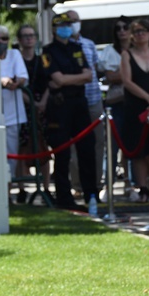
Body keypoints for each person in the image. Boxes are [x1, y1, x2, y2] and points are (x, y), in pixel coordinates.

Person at [41, 13, 98, 210]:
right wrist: (75, 78)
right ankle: (64, 197)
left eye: (69, 24)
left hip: (79, 103)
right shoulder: (48, 52)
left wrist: (69, 78)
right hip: (60, 105)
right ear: (55, 29)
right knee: (62, 152)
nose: (67, 28)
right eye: (62, 25)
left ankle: (91, 194)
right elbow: (58, 80)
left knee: (87, 148)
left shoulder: (77, 48)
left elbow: (89, 75)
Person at [0, 24, 29, 202]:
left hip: (13, 114)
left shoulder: (15, 54)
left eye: (4, 38)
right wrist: (0, 81)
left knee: (12, 156)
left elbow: (23, 77)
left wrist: (14, 82)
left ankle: (9, 192)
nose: (0, 42)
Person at [120, 18, 149, 202]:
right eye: (136, 31)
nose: (140, 34)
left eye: (143, 30)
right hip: (135, 107)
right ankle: (142, 187)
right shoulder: (127, 54)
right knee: (139, 151)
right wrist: (148, 98)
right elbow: (127, 81)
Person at [66, 10, 104, 193]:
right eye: (70, 21)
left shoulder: (89, 44)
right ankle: (78, 185)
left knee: (97, 143)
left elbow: (94, 70)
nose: (73, 24)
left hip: (94, 100)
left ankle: (95, 184)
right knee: (75, 145)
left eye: (76, 20)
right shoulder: (63, 46)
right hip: (73, 102)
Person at [98, 16, 132, 195]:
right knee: (111, 147)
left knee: (132, 146)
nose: (121, 31)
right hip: (116, 103)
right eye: (118, 28)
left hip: (134, 103)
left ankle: (130, 183)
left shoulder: (137, 49)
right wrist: (129, 74)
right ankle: (108, 185)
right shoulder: (109, 51)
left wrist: (122, 74)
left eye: (125, 27)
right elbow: (111, 77)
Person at [16, 24, 51, 197]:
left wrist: (42, 102)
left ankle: (45, 187)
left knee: (43, 146)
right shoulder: (16, 60)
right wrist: (31, 103)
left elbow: (50, 81)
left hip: (42, 107)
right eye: (25, 36)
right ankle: (22, 188)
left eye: (32, 35)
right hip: (22, 107)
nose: (29, 38)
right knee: (22, 146)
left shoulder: (43, 59)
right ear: (19, 40)